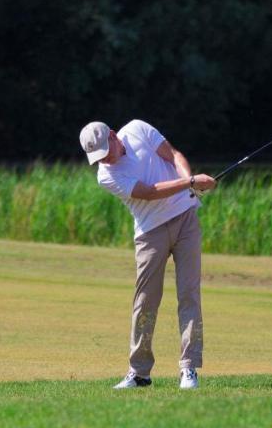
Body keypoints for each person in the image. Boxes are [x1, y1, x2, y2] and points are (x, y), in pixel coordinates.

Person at [79, 119, 217, 390]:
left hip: (185, 219)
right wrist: (189, 181)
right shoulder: (106, 175)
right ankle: (139, 372)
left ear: (114, 135)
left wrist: (189, 182)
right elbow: (149, 193)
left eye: (106, 151)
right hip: (149, 233)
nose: (105, 159)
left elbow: (174, 155)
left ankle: (188, 368)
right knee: (145, 302)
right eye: (98, 157)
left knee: (189, 294)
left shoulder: (138, 129)